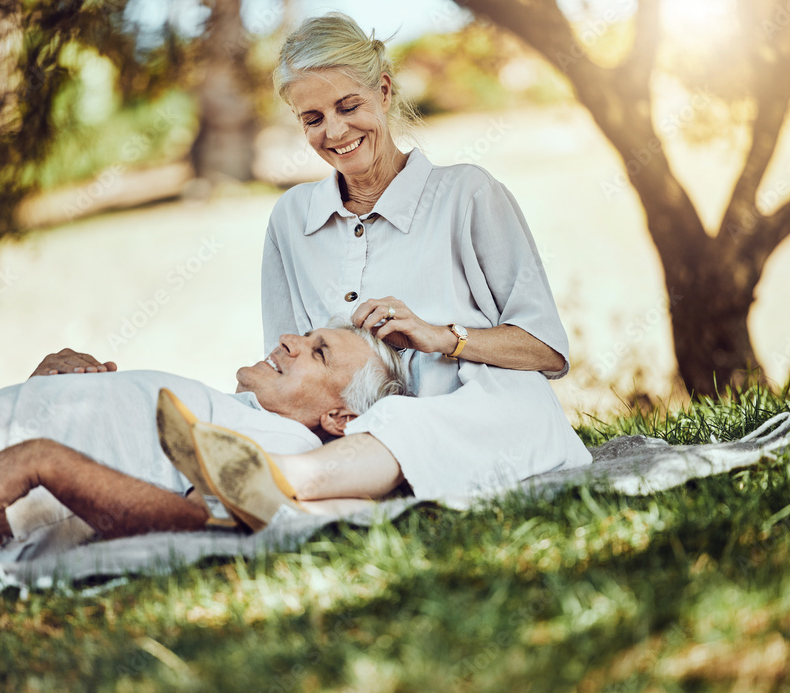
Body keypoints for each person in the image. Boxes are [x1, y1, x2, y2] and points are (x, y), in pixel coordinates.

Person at [0, 220, 407, 582]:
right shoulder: (230, 412)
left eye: (317, 352)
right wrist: (47, 390)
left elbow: (192, 524)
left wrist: (43, 458)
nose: (290, 340)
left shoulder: (286, 442)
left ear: (340, 418)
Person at [248, 13, 592, 506]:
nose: (335, 131)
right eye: (313, 119)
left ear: (384, 92)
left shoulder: (468, 195)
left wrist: (443, 336)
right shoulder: (290, 218)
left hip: (475, 418)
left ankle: (289, 482)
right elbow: (284, 367)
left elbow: (547, 351)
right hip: (343, 436)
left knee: (517, 413)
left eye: (349, 106)